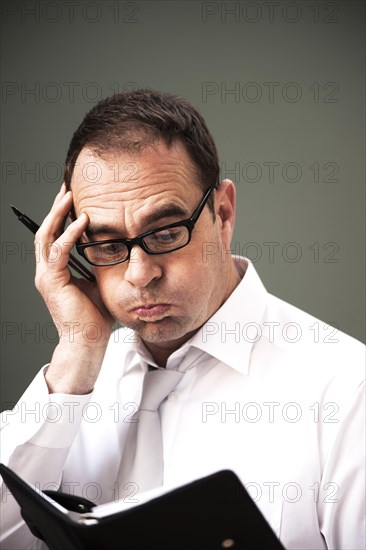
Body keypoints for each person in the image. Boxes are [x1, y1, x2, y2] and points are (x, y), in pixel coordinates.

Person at [0, 90, 364, 549]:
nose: (140, 274)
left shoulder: (349, 394)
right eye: (108, 245)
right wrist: (74, 358)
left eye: (167, 232)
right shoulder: (75, 383)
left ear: (223, 214)